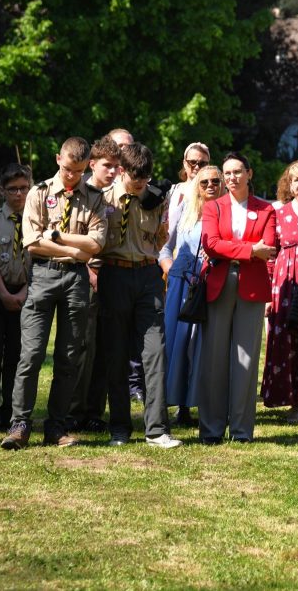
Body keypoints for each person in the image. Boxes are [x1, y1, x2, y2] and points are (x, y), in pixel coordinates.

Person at [2, 137, 107, 450]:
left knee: (69, 357)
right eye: (67, 168)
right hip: (43, 275)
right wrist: (78, 250)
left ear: (87, 164)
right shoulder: (39, 192)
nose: (72, 175)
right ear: (57, 158)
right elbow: (32, 242)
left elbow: (98, 243)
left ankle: (56, 426)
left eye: (78, 170)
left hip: (75, 280)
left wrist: (59, 237)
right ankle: (20, 424)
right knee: (31, 354)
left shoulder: (94, 197)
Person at [98, 143, 180, 448]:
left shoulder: (156, 196)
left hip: (147, 274)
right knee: (116, 353)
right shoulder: (103, 198)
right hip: (114, 273)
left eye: (146, 179)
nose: (141, 185)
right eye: (136, 180)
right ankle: (119, 427)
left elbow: (162, 235)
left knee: (155, 350)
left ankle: (157, 429)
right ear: (121, 171)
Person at [198, 152, 277, 444]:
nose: (231, 178)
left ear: (249, 174)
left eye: (237, 172)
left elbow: (268, 247)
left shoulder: (266, 209)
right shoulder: (213, 208)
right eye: (227, 173)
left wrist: (241, 249)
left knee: (246, 360)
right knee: (214, 359)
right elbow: (211, 244)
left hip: (252, 285)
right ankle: (211, 429)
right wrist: (249, 251)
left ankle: (242, 431)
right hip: (220, 283)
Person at [67, 135, 122, 432]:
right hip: (85, 274)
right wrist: (89, 271)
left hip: (112, 275)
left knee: (105, 347)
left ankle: (94, 411)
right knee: (82, 345)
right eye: (107, 166)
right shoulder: (80, 192)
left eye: (116, 167)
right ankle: (74, 410)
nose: (112, 172)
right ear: (92, 165)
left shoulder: (114, 195)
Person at [161, 165, 222, 425]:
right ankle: (178, 405)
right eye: (204, 181)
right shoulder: (184, 211)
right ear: (196, 184)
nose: (210, 185)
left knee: (203, 344)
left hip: (210, 283)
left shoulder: (225, 212)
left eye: (215, 181)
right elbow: (164, 245)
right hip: (181, 283)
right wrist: (169, 267)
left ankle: (203, 402)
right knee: (178, 343)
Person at [261, 160, 298, 422]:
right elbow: (270, 255)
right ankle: (293, 402)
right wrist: (267, 290)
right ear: (289, 183)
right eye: (296, 179)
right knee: (287, 340)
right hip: (285, 284)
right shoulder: (279, 213)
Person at [0, 164, 32, 433]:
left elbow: (39, 260)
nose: (19, 194)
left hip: (25, 292)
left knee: (16, 354)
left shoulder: (36, 220)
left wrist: (22, 293)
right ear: (2, 190)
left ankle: (10, 410)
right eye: (13, 189)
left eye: (24, 188)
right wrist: (3, 293)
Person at [167, 142, 212, 236]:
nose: (197, 167)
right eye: (192, 162)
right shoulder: (172, 191)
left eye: (202, 164)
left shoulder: (213, 194)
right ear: (184, 163)